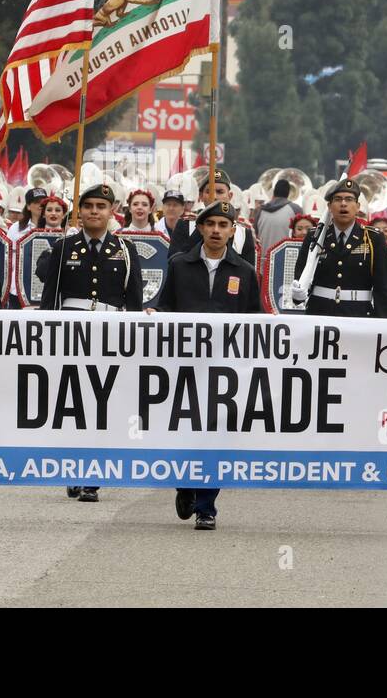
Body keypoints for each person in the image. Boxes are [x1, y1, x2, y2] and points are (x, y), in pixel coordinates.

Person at [153, 201, 263, 531]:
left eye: (223, 225)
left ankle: (206, 505)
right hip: (184, 364)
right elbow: (166, 307)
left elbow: (252, 317)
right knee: (185, 432)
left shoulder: (243, 271)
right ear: (200, 228)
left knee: (216, 436)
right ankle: (185, 485)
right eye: (210, 224)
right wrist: (154, 318)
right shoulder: (179, 264)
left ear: (233, 231)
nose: (216, 230)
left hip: (224, 367)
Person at [36, 184, 143, 502]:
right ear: (79, 212)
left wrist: (133, 339)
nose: (95, 211)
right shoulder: (63, 248)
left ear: (112, 212)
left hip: (110, 331)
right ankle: (74, 468)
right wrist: (48, 334)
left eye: (101, 206)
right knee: (72, 402)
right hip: (72, 328)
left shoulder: (125, 250)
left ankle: (93, 475)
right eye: (89, 206)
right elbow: (50, 297)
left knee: (102, 403)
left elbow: (133, 301)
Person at [290, 178, 387, 318]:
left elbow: (385, 288)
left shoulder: (373, 239)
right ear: (329, 206)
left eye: (349, 199)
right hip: (319, 315)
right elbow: (301, 278)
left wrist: (382, 324)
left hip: (358, 316)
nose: (343, 204)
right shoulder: (315, 236)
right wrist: (298, 293)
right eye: (338, 199)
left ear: (357, 206)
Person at [253, 179, 301, 256]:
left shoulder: (260, 210)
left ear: (274, 192)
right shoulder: (295, 209)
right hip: (286, 260)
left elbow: (254, 235)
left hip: (263, 261)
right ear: (288, 193)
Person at [160, 189, 193, 254]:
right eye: (168, 204)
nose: (171, 208)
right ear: (163, 207)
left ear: (182, 208)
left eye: (175, 205)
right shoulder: (154, 229)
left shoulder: (190, 230)